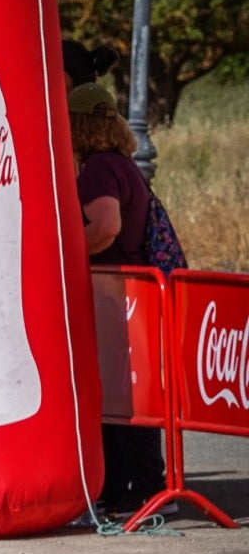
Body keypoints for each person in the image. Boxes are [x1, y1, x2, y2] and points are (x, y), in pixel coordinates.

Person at [68, 81, 169, 517]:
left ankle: (130, 485)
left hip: (112, 290)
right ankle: (145, 483)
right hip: (132, 290)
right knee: (131, 391)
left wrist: (67, 255)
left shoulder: (98, 169)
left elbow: (105, 224)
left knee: (112, 393)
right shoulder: (124, 164)